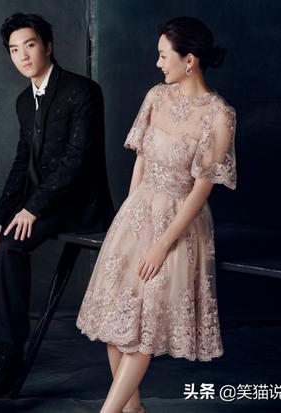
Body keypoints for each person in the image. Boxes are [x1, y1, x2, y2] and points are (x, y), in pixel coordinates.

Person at [76, 17, 236, 413]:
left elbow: (201, 189)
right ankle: (133, 410)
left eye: (164, 56)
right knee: (114, 324)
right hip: (138, 212)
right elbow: (142, 162)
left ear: (189, 60)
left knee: (141, 329)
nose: (158, 63)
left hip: (181, 224)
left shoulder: (219, 115)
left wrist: (162, 244)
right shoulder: (156, 96)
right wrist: (131, 220)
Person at [0, 13, 114, 398]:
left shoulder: (83, 91)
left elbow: (78, 160)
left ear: (48, 46)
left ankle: (11, 350)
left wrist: (32, 208)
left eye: (29, 45)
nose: (23, 56)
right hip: (40, 203)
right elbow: (21, 164)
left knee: (11, 247)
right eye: (14, 50)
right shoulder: (23, 101)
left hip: (78, 206)